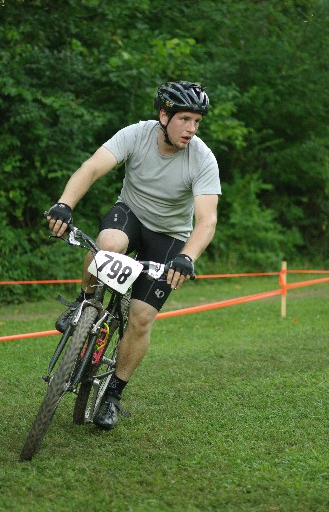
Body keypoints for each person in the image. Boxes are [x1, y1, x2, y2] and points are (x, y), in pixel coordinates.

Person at [46, 81, 221, 431]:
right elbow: (92, 167)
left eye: (197, 121)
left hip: (170, 237)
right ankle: (84, 302)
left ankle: (112, 394)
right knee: (107, 244)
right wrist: (65, 204)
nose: (191, 128)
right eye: (184, 118)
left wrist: (187, 257)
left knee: (141, 317)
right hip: (131, 214)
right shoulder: (136, 135)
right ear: (163, 115)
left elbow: (207, 220)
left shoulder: (202, 158)